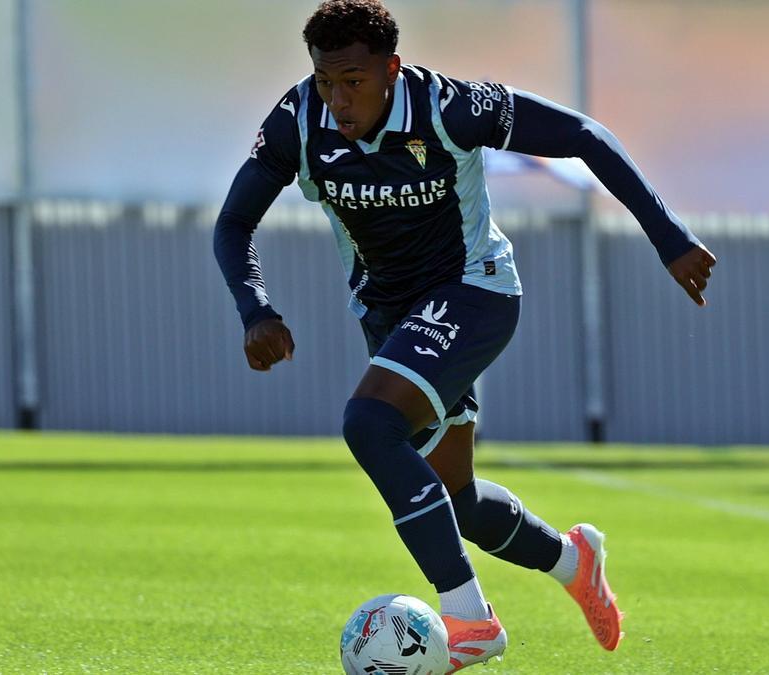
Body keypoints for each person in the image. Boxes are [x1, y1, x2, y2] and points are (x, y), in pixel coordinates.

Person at [213, 0, 716, 670]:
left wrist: (669, 237)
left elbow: (585, 135)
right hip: (389, 316)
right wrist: (255, 308)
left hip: (475, 291)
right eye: (326, 80)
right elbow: (233, 224)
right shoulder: (298, 121)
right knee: (457, 499)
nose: (338, 99)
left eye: (354, 81)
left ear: (392, 69)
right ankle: (574, 560)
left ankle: (471, 621)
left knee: (370, 423)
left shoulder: (450, 108)